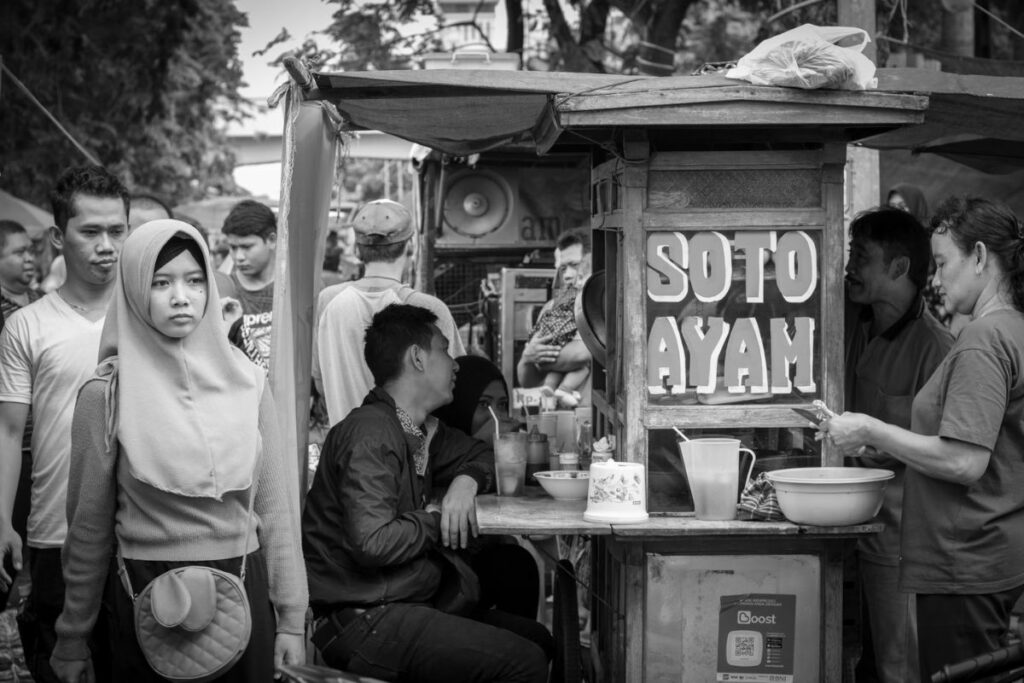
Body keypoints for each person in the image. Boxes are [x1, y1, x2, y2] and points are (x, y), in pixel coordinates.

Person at [49, 220, 306, 682]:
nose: (181, 297)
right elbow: (87, 529)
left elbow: (276, 509)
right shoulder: (106, 394)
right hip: (144, 594)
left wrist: (292, 618)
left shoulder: (248, 382)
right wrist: (72, 638)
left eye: (194, 280)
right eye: (160, 283)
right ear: (132, 291)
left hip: (247, 587)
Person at [822, 197, 1024, 679]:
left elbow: (964, 462)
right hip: (990, 552)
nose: (935, 279)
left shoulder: (982, 339)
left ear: (979, 257)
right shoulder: (1014, 329)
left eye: (942, 263)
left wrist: (872, 429)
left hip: (963, 560)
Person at [303, 304, 550, 683]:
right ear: (418, 357)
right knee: (524, 662)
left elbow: (482, 453)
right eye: (445, 350)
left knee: (538, 640)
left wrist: (464, 484)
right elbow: (372, 543)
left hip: (404, 600)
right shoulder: (370, 433)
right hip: (366, 619)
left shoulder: (420, 430)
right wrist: (435, 519)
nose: (454, 365)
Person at [0, 165, 130, 682]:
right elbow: (10, 432)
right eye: (90, 231)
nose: (106, 245)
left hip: (140, 529)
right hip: (56, 529)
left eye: (117, 231)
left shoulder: (151, 313)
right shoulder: (26, 325)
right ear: (58, 236)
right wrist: (2, 520)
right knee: (59, 665)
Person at [843, 208, 953, 683]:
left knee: (897, 664)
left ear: (899, 268)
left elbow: (948, 454)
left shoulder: (938, 350)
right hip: (838, 522)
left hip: (897, 539)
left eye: (860, 257)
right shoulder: (847, 318)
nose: (848, 268)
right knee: (847, 656)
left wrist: (874, 440)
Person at [313, 199, 464, 425]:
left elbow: (320, 384)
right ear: (410, 246)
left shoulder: (328, 300)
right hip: (410, 455)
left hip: (344, 450)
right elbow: (457, 386)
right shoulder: (427, 308)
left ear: (356, 249)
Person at [432, 355, 541, 619]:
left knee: (518, 563)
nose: (498, 415)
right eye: (483, 404)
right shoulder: (437, 447)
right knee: (516, 565)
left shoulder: (494, 461)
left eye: (503, 405)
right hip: (444, 584)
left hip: (479, 572)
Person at [517, 228, 593, 407]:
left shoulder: (602, 302)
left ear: (592, 260)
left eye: (575, 265)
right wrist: (528, 357)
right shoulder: (551, 308)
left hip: (591, 420)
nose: (567, 275)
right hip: (555, 419)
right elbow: (527, 381)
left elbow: (581, 354)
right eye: (562, 268)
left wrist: (541, 359)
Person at [217, 199, 277, 369]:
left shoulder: (294, 288)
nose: (239, 257)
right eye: (233, 248)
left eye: (246, 247)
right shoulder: (222, 289)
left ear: (271, 240)